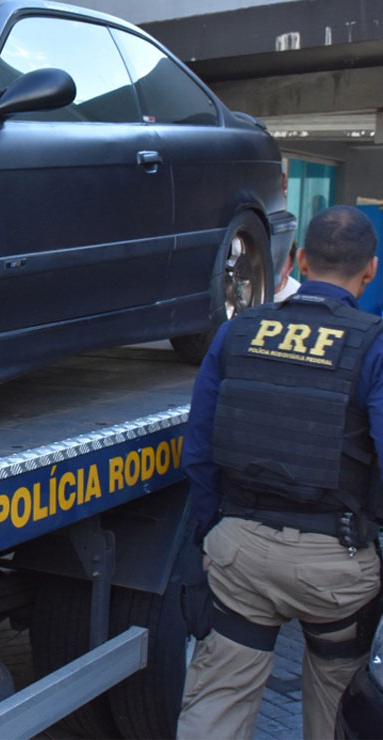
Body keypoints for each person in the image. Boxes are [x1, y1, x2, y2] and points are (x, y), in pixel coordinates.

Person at [176, 205, 383, 740]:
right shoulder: (373, 347)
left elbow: (198, 449)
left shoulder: (238, 331)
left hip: (240, 550)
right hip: (338, 567)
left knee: (216, 702)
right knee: (338, 706)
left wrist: (213, 530)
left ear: (298, 260)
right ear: (371, 270)